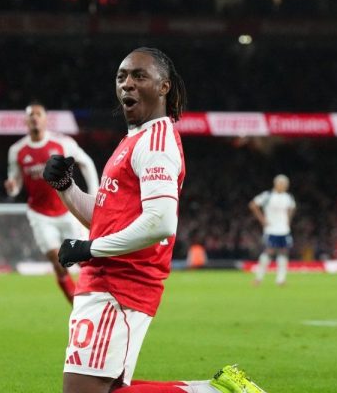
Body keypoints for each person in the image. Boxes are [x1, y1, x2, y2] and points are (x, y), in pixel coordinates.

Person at [42, 47, 266, 393]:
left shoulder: (157, 142)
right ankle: (214, 390)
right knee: (103, 389)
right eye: (121, 77)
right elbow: (105, 218)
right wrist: (65, 187)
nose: (127, 84)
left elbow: (161, 222)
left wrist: (92, 248)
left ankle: (215, 391)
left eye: (138, 76)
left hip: (120, 284)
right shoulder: (135, 140)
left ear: (164, 87)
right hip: (105, 279)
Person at [5, 102, 98, 304]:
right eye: (31, 115)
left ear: (46, 119)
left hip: (67, 211)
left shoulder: (62, 143)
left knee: (83, 260)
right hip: (40, 215)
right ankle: (77, 306)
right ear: (25, 121)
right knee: (58, 261)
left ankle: (100, 296)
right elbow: (16, 184)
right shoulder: (17, 150)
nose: (34, 118)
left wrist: (94, 192)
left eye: (38, 114)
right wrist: (12, 187)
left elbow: (86, 162)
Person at [249, 175, 296, 286]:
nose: (285, 186)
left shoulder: (288, 197)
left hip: (284, 230)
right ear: (276, 184)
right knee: (269, 251)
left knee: (284, 252)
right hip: (271, 229)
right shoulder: (267, 195)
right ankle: (258, 278)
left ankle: (280, 280)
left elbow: (292, 208)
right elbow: (253, 205)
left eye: (286, 184)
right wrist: (262, 220)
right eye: (282, 184)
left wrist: (288, 220)